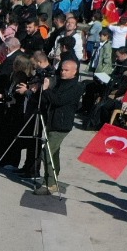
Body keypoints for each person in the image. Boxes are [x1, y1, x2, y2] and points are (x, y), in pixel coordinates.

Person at [36, 56, 85, 196]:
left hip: (61, 124)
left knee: (47, 152)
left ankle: (49, 183)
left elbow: (58, 100)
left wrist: (46, 90)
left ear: (74, 72)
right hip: (51, 120)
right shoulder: (60, 82)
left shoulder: (76, 86)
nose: (63, 72)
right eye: (62, 69)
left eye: (66, 70)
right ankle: (53, 178)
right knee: (54, 152)